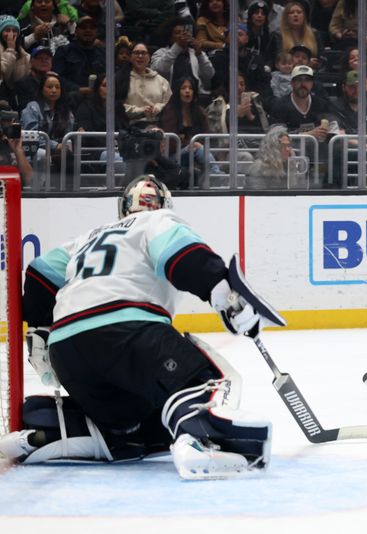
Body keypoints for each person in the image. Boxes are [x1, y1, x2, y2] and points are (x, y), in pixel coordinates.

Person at [0, 175, 281, 479]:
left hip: (67, 349)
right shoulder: (158, 220)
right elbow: (184, 256)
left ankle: (56, 429)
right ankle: (201, 441)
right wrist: (227, 297)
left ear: (124, 207)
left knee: (130, 421)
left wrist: (40, 329)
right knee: (206, 379)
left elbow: (40, 275)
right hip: (127, 331)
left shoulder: (88, 237)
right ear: (164, 204)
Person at [150, 17, 216, 105]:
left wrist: (200, 55)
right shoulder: (161, 53)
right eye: (177, 33)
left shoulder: (196, 53)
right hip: (169, 99)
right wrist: (177, 46)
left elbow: (209, 74)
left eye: (185, 32)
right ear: (170, 36)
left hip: (196, 98)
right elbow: (159, 70)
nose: (182, 35)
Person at [117, 42, 173, 128]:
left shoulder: (161, 81)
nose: (140, 56)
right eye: (136, 53)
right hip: (129, 127)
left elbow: (169, 104)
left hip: (158, 127)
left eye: (143, 53)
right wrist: (141, 111)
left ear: (149, 57)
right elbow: (117, 105)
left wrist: (157, 108)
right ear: (131, 57)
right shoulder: (120, 79)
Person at [52, 15, 105, 97]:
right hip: (70, 98)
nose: (88, 30)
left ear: (97, 32)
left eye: (92, 28)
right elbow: (56, 77)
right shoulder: (64, 51)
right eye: (83, 27)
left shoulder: (103, 53)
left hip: (98, 98)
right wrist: (78, 89)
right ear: (76, 32)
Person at [245, 124, 293, 188]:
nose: (288, 149)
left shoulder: (287, 165)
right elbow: (257, 195)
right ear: (273, 147)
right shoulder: (258, 168)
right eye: (283, 146)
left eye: (288, 146)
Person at [0, 99, 33, 186]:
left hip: (11, 191)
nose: (4, 124)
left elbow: (29, 181)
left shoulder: (13, 142)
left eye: (8, 120)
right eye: (2, 120)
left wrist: (18, 150)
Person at [0, 15, 30, 91]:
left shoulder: (24, 55)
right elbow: (3, 74)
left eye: (14, 31)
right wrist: (10, 49)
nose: (11, 34)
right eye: (7, 30)